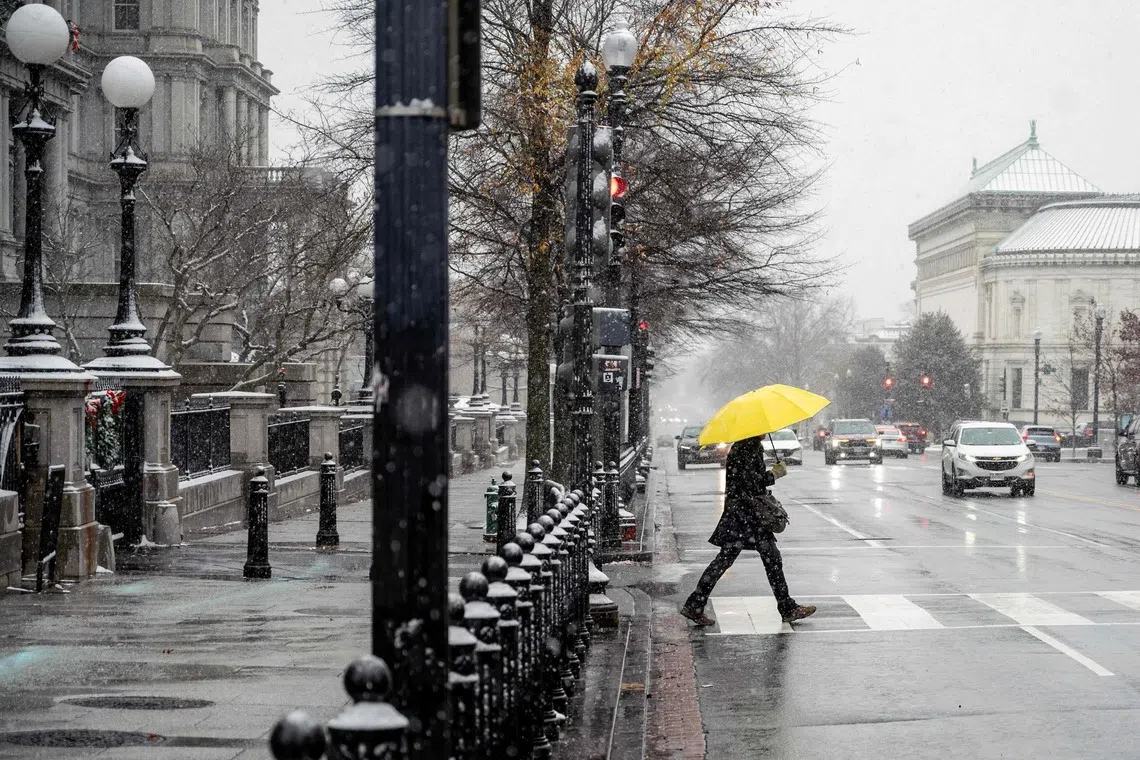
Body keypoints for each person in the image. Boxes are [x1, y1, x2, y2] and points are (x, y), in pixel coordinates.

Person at [680, 435, 816, 626]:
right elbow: (752, 483)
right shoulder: (749, 448)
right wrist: (774, 474)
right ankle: (787, 608)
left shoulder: (743, 446)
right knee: (770, 559)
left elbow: (746, 481)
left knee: (730, 560)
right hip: (747, 514)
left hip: (741, 513)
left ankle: (695, 605)